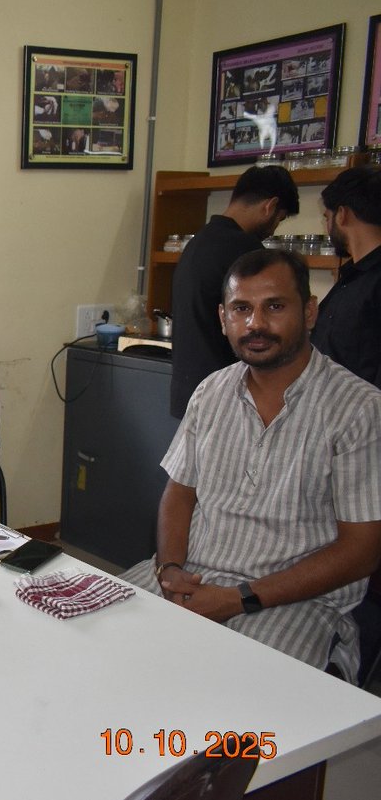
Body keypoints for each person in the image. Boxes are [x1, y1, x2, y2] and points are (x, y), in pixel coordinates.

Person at [123, 250, 381, 681]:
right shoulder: (211, 391)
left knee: (236, 698)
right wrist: (169, 571)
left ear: (310, 312)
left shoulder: (358, 409)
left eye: (274, 307)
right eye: (242, 309)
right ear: (224, 319)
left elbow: (361, 551)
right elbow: (179, 493)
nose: (256, 324)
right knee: (92, 636)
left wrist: (237, 598)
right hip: (190, 579)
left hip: (292, 603)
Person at [169, 165, 299, 418]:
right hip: (227, 394)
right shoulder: (244, 249)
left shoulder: (198, 242)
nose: (273, 229)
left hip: (190, 390)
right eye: (278, 219)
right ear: (270, 206)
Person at [311, 166, 381, 388]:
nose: (327, 225)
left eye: (327, 217)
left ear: (342, 215)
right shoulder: (351, 276)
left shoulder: (374, 282)